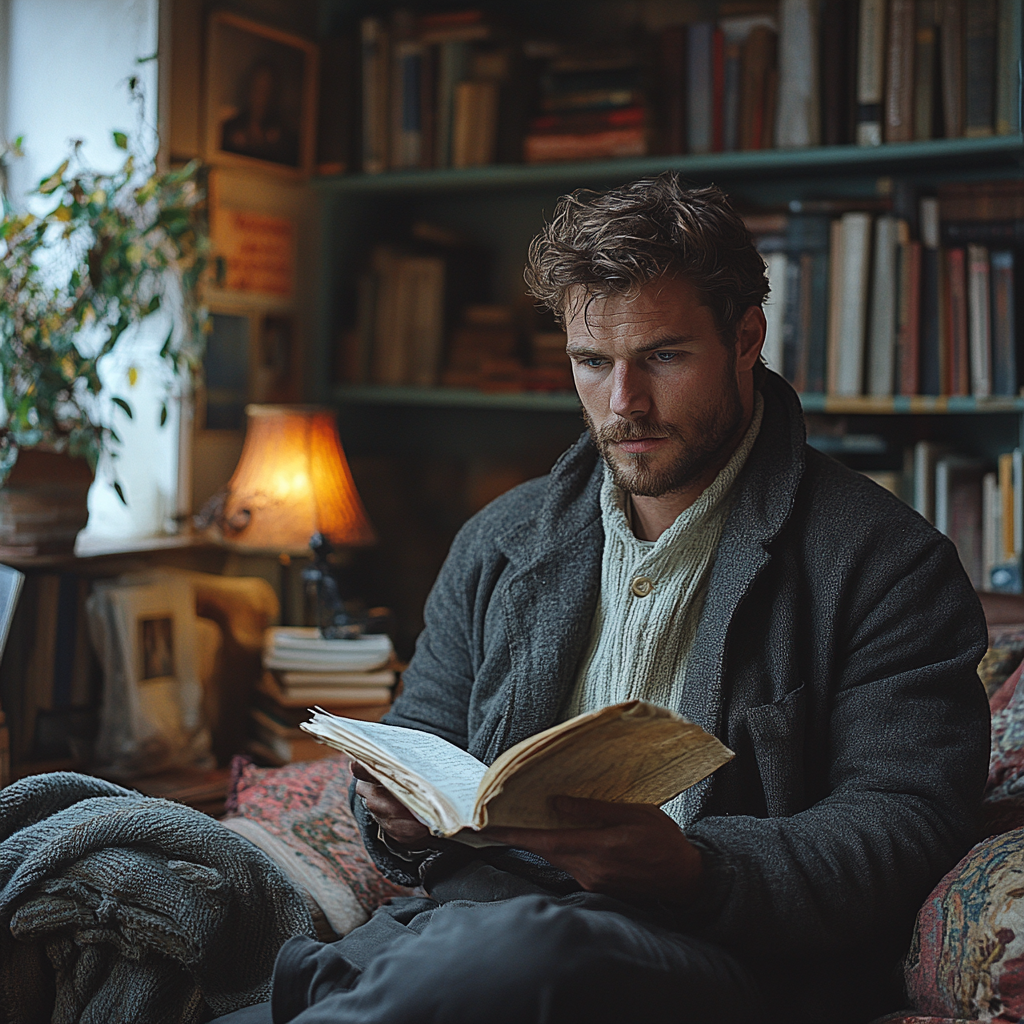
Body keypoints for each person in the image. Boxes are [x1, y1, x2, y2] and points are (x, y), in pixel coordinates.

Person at [214, 174, 990, 1023]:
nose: (623, 403)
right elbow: (423, 738)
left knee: (523, 953)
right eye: (592, 363)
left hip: (712, 955)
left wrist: (698, 868)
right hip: (457, 935)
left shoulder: (887, 563)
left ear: (745, 339)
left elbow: (904, 827)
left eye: (663, 356)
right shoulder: (498, 541)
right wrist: (397, 816)